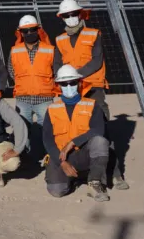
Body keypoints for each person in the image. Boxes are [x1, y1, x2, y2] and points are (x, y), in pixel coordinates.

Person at [53, 0, 129, 190]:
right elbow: (57, 64)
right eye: (66, 15)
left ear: (80, 14)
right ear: (62, 18)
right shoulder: (59, 40)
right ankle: (85, 170)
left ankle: (116, 174)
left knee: (102, 133)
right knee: (75, 131)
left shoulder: (94, 34)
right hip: (71, 91)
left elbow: (96, 61)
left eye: (73, 14)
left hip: (93, 89)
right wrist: (64, 78)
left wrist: (76, 75)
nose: (71, 18)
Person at [42, 65, 110, 202]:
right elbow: (47, 139)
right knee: (57, 191)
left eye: (72, 82)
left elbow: (98, 130)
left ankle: (94, 182)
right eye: (64, 84)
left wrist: (73, 142)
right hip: (62, 156)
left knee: (100, 141)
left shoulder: (92, 105)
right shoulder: (52, 109)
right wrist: (62, 162)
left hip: (85, 153)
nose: (68, 86)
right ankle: (74, 178)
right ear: (58, 86)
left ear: (79, 83)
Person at [7, 15, 57, 160]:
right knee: (22, 129)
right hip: (23, 98)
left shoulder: (50, 50)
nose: (29, 33)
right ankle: (25, 157)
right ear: (20, 33)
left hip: (44, 97)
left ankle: (48, 156)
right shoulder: (15, 50)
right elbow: (11, 70)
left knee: (47, 129)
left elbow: (55, 70)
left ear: (38, 30)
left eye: (32, 30)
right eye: (26, 31)